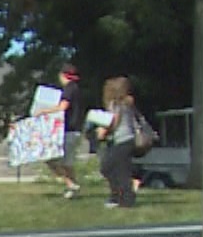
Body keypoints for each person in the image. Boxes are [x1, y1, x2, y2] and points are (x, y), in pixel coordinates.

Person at [95, 75, 138, 209]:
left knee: (109, 168)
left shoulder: (116, 104)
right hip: (129, 139)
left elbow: (114, 123)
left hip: (121, 140)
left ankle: (123, 198)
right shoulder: (127, 103)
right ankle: (120, 196)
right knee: (118, 169)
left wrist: (102, 132)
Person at [46, 63, 85, 199]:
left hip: (69, 130)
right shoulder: (76, 89)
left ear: (63, 75)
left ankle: (70, 184)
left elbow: (63, 107)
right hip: (74, 130)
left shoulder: (69, 89)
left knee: (56, 160)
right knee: (65, 162)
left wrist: (44, 111)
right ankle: (72, 188)